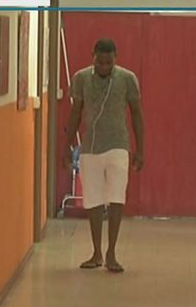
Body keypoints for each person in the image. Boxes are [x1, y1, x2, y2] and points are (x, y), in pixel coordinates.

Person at [62, 38, 144, 273]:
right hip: (90, 148)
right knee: (93, 200)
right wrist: (67, 147)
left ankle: (112, 253)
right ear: (93, 57)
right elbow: (75, 113)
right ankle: (97, 252)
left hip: (118, 146)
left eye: (109, 63)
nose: (104, 67)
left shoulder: (127, 79)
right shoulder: (81, 78)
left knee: (117, 198)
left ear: (116, 58)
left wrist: (140, 149)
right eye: (100, 62)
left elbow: (137, 114)